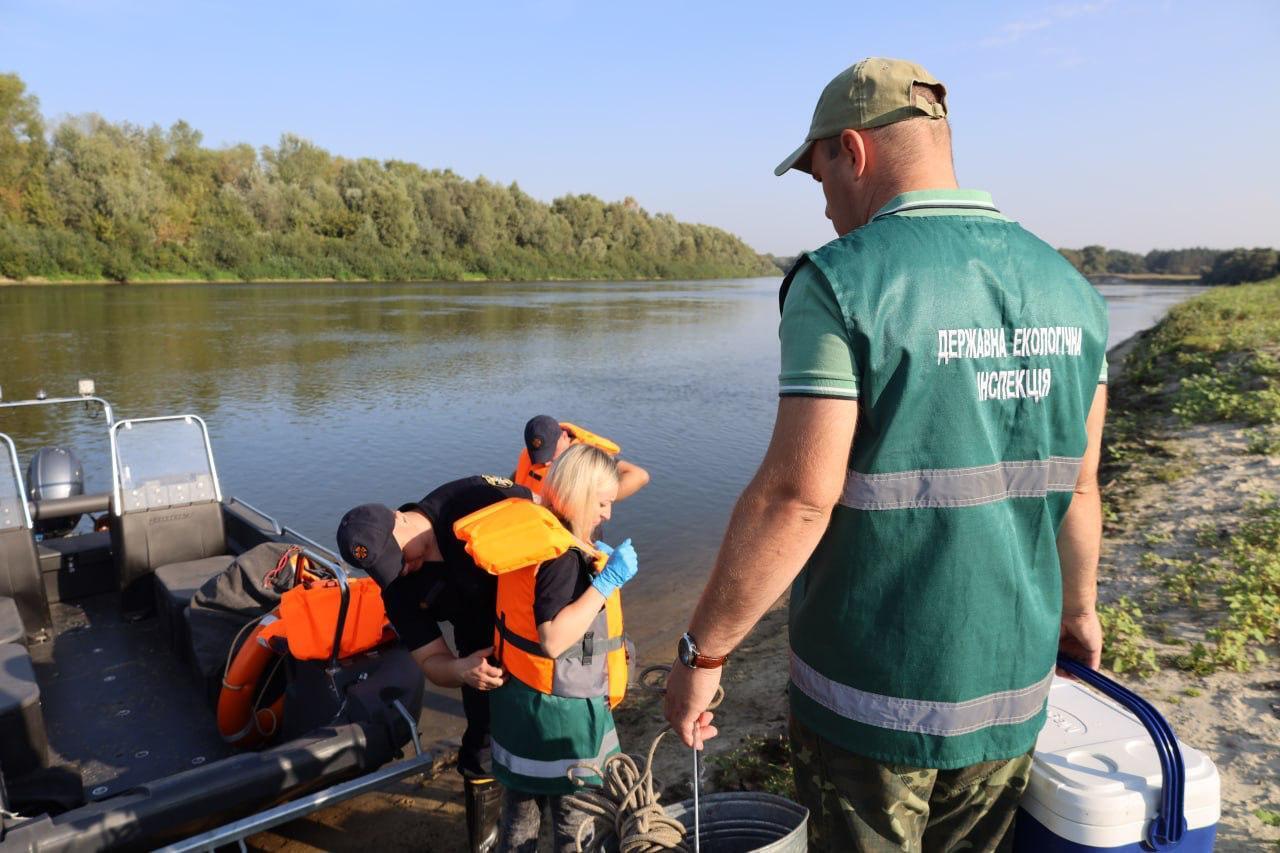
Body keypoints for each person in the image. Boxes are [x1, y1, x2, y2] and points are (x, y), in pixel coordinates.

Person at [662, 57, 1109, 852]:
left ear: (854, 152)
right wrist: (1077, 613)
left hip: (872, 707)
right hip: (1011, 690)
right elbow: (1078, 489)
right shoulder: (1073, 290)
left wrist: (704, 650)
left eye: (819, 174)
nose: (827, 203)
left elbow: (796, 497)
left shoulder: (840, 283)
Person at [336, 474, 531, 853]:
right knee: (481, 747)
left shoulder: (471, 497)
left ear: (400, 518)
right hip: (480, 654)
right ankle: (485, 842)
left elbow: (551, 515)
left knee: (554, 730)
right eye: (387, 569)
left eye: (399, 557)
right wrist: (461, 670)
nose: (403, 569)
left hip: (534, 629)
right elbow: (431, 660)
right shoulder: (398, 588)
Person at [457, 444, 638, 852]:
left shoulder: (534, 534)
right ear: (580, 496)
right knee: (578, 826)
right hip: (561, 716)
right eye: (604, 503)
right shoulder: (561, 557)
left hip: (520, 707)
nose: (608, 513)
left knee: (519, 819)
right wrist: (608, 582)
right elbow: (554, 639)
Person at [514, 415, 649, 500]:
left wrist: (597, 501)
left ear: (564, 436)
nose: (546, 461)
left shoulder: (585, 457)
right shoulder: (532, 454)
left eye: (551, 452)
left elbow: (639, 475)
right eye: (541, 456)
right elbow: (519, 477)